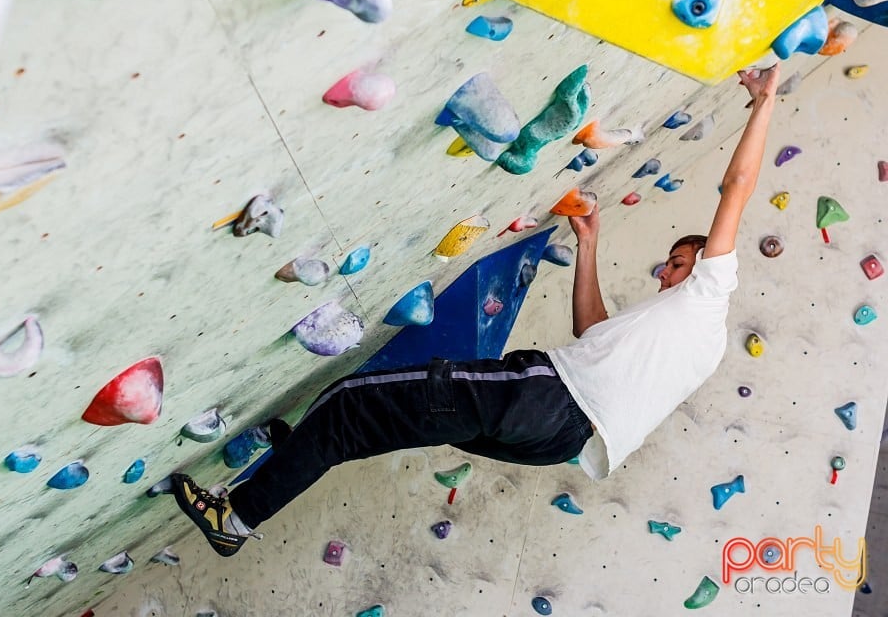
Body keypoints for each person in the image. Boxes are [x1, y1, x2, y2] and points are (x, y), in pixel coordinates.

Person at [170, 65, 780, 557]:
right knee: (381, 421)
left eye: (678, 262)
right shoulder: (693, 343)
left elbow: (738, 187)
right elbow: (590, 332)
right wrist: (589, 245)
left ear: (703, 262)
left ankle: (239, 516)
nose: (667, 271)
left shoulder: (710, 287)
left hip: (543, 398)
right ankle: (299, 453)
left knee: (351, 403)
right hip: (557, 440)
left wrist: (764, 101)